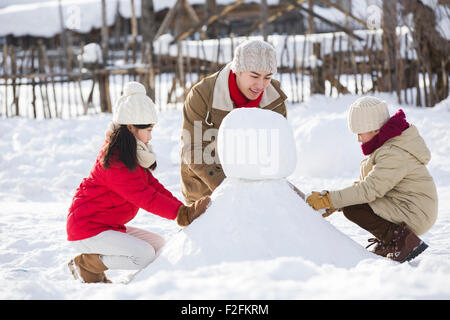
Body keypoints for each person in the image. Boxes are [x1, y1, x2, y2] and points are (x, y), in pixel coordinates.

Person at [66, 82, 210, 283]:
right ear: (131, 127)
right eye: (148, 129)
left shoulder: (131, 154)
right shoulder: (114, 162)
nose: (150, 136)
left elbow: (153, 187)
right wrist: (182, 214)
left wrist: (184, 209)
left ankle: (138, 281)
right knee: (143, 255)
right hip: (87, 229)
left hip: (107, 225)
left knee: (159, 245)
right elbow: (145, 196)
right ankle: (86, 265)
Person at [306, 96, 438, 263]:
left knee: (354, 207)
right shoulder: (385, 146)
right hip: (406, 205)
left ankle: (401, 241)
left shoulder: (393, 152)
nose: (358, 139)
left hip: (415, 212)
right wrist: (335, 203)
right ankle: (391, 239)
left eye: (360, 133)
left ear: (375, 129)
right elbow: (367, 186)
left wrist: (331, 199)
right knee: (352, 203)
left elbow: (369, 189)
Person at [180, 39, 288, 204]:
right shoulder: (202, 95)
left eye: (267, 77)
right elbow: (193, 149)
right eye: (254, 75)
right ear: (237, 70)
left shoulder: (274, 99)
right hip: (206, 189)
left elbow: (276, 151)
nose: (261, 85)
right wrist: (232, 190)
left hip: (256, 189)